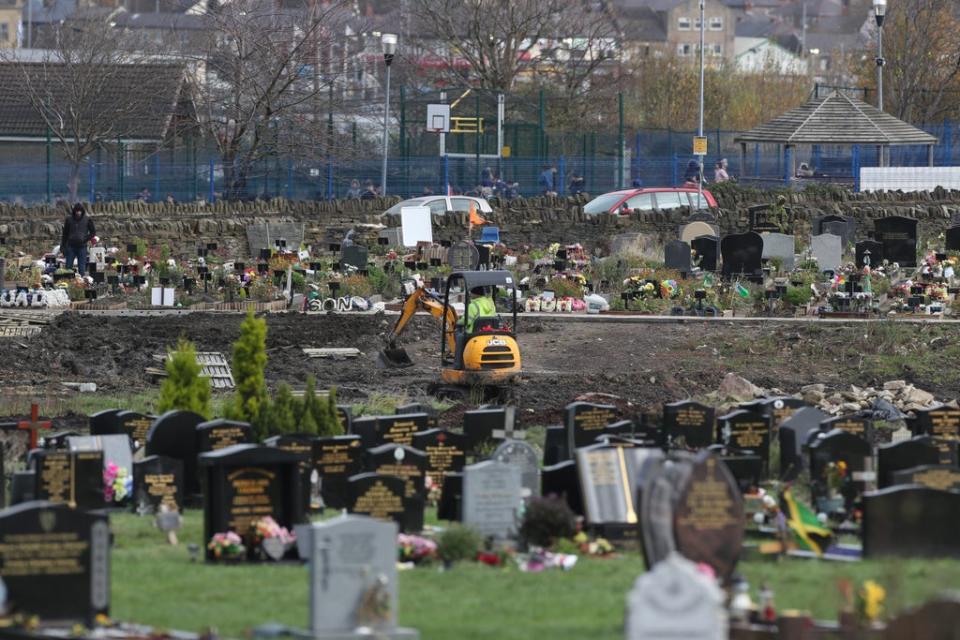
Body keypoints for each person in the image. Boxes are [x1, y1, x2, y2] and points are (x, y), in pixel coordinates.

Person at [61, 203, 96, 277]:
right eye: (77, 211)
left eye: (80, 211)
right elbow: (65, 234)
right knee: (68, 267)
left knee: (82, 268)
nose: (78, 213)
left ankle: (81, 282)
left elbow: (93, 232)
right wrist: (63, 246)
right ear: (74, 211)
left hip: (82, 247)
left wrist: (85, 239)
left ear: (82, 211)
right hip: (71, 246)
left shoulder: (87, 219)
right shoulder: (69, 220)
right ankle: (67, 282)